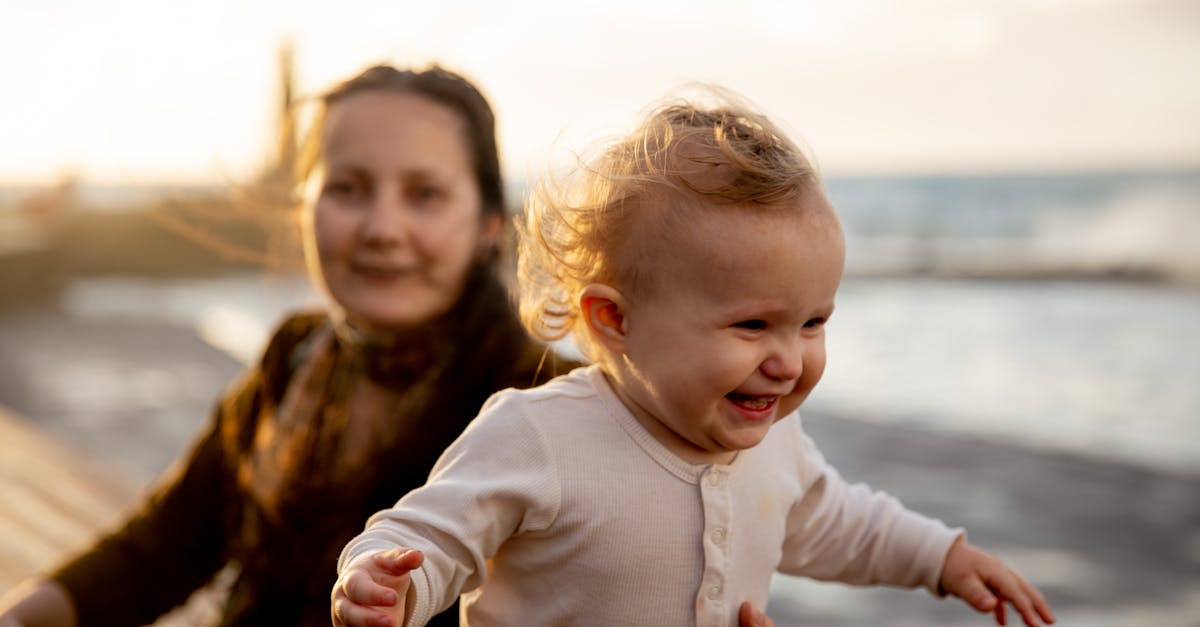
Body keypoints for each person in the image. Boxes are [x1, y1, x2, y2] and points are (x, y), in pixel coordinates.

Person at [330, 88, 1058, 627]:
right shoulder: (539, 436)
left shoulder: (776, 446)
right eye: (752, 325)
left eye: (812, 323)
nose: (788, 360)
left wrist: (941, 559)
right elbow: (431, 533)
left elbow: (838, 522)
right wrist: (388, 583)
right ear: (615, 320)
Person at [0, 64, 574, 627]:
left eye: (424, 194)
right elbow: (161, 551)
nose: (381, 228)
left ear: (489, 223)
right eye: (347, 189)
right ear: (304, 207)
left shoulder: (553, 404)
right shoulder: (296, 355)